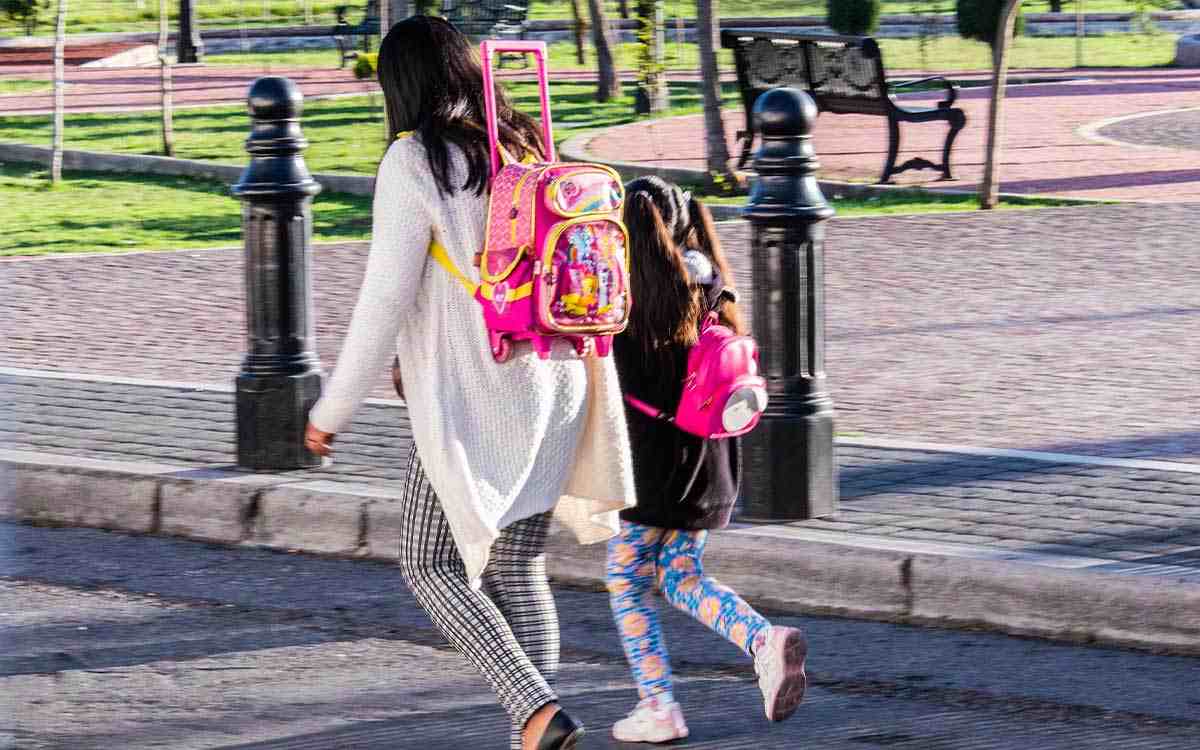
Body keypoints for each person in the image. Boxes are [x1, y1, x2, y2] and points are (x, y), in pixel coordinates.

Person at [303, 17, 635, 750]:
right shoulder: (519, 138)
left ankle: (537, 713)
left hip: (479, 397)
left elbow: (385, 300)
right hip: (560, 377)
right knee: (518, 563)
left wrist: (333, 408)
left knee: (429, 563)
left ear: (400, 85)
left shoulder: (415, 161)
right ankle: (536, 724)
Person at [604, 176, 808, 744]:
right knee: (680, 574)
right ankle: (762, 640)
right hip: (714, 465)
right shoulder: (715, 287)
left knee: (625, 580)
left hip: (652, 472)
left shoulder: (633, 302)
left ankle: (658, 705)